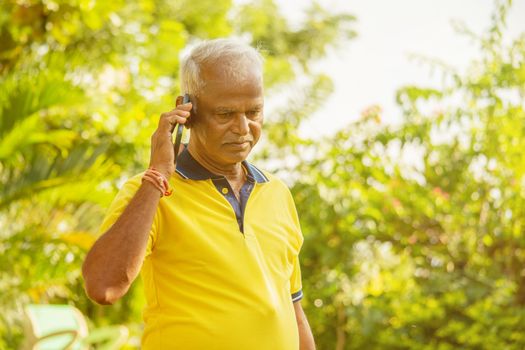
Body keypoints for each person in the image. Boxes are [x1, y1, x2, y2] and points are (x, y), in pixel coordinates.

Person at [82, 38, 316, 350]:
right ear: (187, 112)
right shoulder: (151, 191)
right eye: (225, 114)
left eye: (254, 111)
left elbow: (292, 308)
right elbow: (103, 286)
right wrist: (158, 177)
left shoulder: (277, 193)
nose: (243, 127)